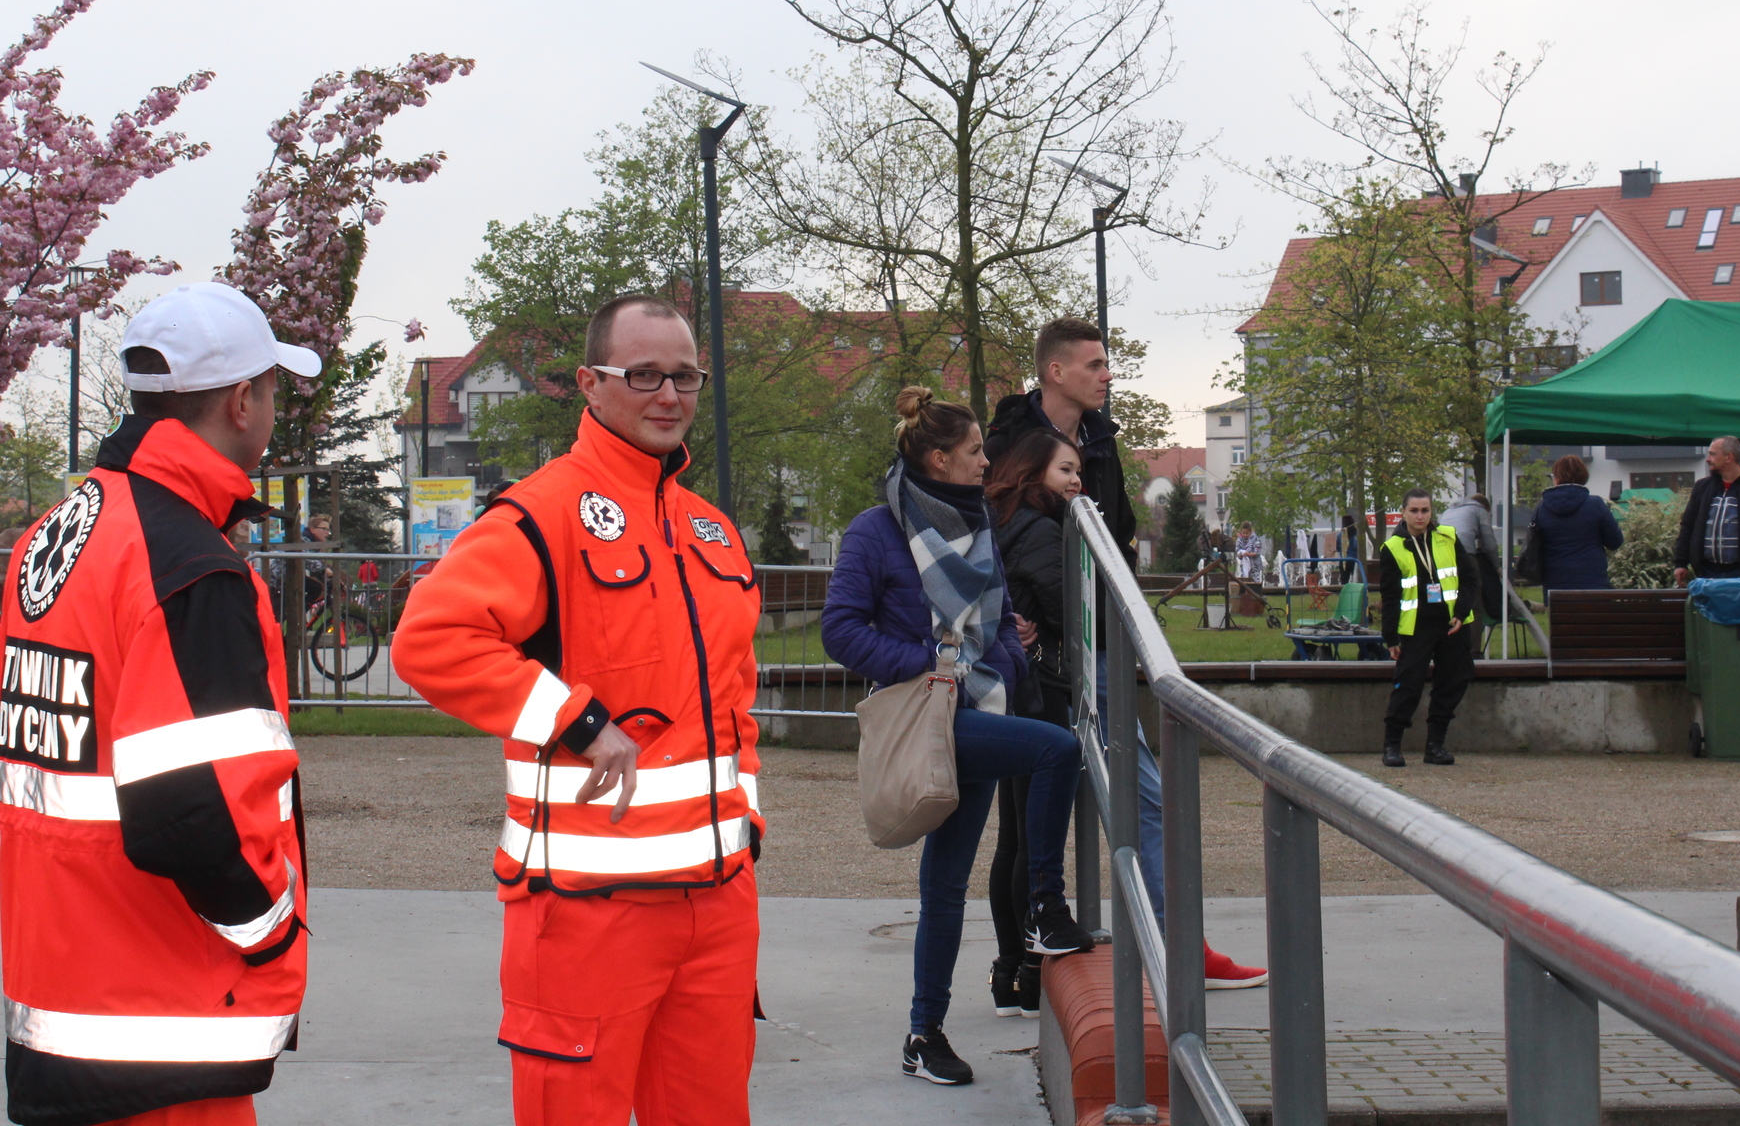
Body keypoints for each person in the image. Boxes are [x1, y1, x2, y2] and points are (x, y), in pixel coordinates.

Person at [391, 294, 764, 1126]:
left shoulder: (711, 531)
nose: (668, 395)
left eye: (685, 377)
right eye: (643, 375)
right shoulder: (542, 512)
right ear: (590, 385)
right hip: (586, 909)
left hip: (717, 905)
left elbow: (735, 700)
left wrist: (749, 824)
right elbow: (430, 640)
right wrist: (578, 721)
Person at [0, 282, 317, 1126]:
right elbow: (192, 814)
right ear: (243, 401)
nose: (274, 411)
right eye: (275, 391)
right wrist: (273, 936)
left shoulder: (60, 533)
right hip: (161, 1010)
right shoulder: (191, 567)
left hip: (63, 990)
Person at [984, 317, 1265, 989]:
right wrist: (1005, 620)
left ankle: (1167, 944)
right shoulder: (1007, 443)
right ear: (1057, 372)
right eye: (1095, 364)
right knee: (1028, 822)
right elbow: (986, 531)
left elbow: (1115, 539)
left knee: (1134, 797)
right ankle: (1020, 967)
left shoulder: (1102, 444)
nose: (1108, 374)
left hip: (1092, 644)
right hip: (1037, 657)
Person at [823, 388, 1090, 1087]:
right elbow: (840, 630)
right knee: (1057, 749)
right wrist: (928, 667)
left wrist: (994, 668)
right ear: (939, 458)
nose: (986, 461)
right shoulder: (875, 531)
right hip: (926, 716)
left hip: (978, 712)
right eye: (975, 452)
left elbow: (1000, 623)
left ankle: (923, 1033)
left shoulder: (979, 528)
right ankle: (1043, 909)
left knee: (945, 886)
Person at [982, 428, 1082, 1021]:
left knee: (1012, 835)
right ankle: (1027, 966)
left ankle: (1008, 972)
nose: (1075, 482)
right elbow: (1062, 604)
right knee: (1030, 835)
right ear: (1033, 471)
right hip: (1037, 691)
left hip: (1008, 687)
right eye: (1065, 470)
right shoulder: (1043, 528)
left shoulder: (1001, 520)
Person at [1376, 488, 1479, 768]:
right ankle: (1392, 745)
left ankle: (1435, 745)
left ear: (1432, 512)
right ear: (1404, 513)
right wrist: (1390, 637)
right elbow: (1390, 596)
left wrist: (1461, 612)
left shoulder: (1448, 538)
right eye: (1414, 511)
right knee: (1407, 685)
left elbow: (1469, 580)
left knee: (1453, 682)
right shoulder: (1394, 548)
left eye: (1425, 510)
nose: (1420, 516)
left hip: (1451, 626)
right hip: (1416, 628)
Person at [1673, 436, 1740, 584]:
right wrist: (1681, 562)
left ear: (1728, 457)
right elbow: (1688, 526)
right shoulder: (1702, 487)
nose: (1708, 459)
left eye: (1712, 454)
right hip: (1706, 572)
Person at [1534, 456, 1623, 594]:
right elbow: (1615, 542)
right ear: (1584, 477)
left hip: (1555, 585)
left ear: (1556, 478)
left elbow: (1535, 544)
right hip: (1593, 584)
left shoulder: (1541, 508)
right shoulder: (1596, 504)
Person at [1437, 493, 1500, 653]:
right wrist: (1497, 565)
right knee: (1474, 603)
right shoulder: (1480, 510)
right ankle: (1472, 651)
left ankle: (1447, 648)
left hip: (1442, 557)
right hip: (1465, 554)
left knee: (1448, 603)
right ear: (1486, 507)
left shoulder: (1448, 511)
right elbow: (1489, 542)